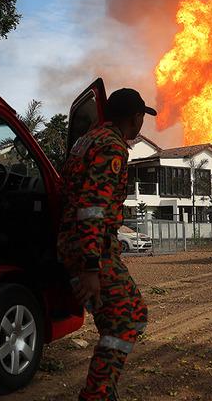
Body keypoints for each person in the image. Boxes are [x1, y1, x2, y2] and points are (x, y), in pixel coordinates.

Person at [57, 88, 152, 400]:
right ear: (135, 118)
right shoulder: (112, 146)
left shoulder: (87, 139)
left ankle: (100, 392)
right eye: (141, 117)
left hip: (77, 241)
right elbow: (93, 206)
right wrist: (90, 267)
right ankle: (96, 395)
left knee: (119, 320)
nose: (141, 124)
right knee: (129, 318)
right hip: (91, 248)